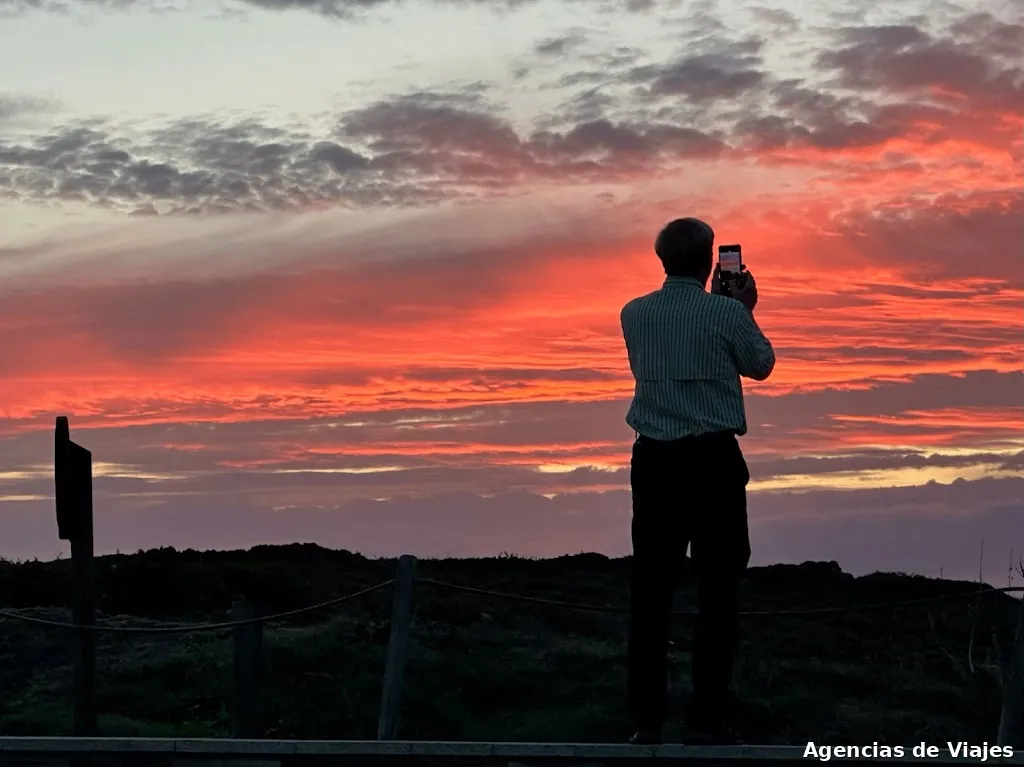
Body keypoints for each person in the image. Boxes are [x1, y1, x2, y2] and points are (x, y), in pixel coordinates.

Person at [619, 217, 775, 745]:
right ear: (711, 259)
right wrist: (743, 309)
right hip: (712, 461)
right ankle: (707, 718)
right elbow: (761, 365)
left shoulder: (634, 314)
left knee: (651, 591)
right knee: (719, 591)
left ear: (662, 258)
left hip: (655, 462)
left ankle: (646, 720)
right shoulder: (725, 313)